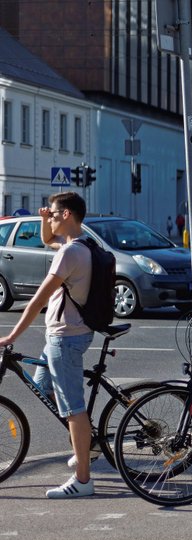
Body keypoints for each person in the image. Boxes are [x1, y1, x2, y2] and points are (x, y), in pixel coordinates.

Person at [0, 192, 97, 497]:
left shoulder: (70, 254)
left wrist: (12, 335)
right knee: (44, 387)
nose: (51, 217)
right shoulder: (80, 245)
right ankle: (85, 444)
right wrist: (44, 220)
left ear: (67, 215)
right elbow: (45, 240)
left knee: (72, 408)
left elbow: (39, 298)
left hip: (65, 338)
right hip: (66, 334)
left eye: (54, 213)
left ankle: (83, 480)